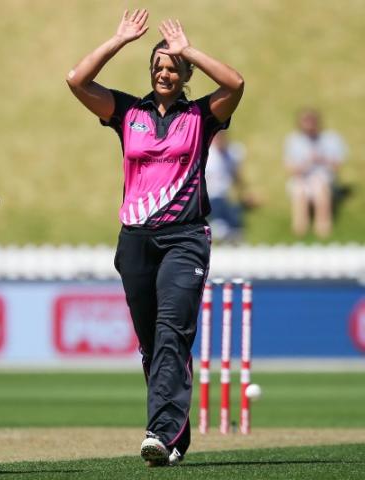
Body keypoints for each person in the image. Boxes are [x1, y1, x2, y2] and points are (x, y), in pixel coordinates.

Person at [66, 10, 243, 467]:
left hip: (185, 237)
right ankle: (176, 433)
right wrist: (118, 40)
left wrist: (189, 51)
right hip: (136, 240)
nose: (165, 73)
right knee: (152, 344)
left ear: (185, 76)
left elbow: (235, 84)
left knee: (170, 333)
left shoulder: (201, 116)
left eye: (173, 68)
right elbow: (77, 80)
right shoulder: (129, 112)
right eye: (159, 67)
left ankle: (159, 433)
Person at [284, 108, 347, 238]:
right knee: (298, 189)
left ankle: (323, 227)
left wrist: (322, 159)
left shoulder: (331, 138)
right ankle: (299, 229)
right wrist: (307, 163)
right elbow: (290, 169)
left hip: (323, 178)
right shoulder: (293, 140)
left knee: (319, 187)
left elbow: (337, 166)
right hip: (301, 178)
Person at [205, 130, 253, 242]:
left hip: (226, 197)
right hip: (211, 197)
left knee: (236, 221)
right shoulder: (207, 155)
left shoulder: (230, 155)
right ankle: (220, 228)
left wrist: (245, 192)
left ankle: (229, 232)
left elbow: (235, 175)